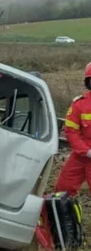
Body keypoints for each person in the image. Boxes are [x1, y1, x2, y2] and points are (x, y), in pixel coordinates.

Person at [55, 62, 91, 197]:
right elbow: (71, 131)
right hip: (82, 155)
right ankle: (64, 216)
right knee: (63, 189)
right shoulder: (80, 104)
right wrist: (86, 151)